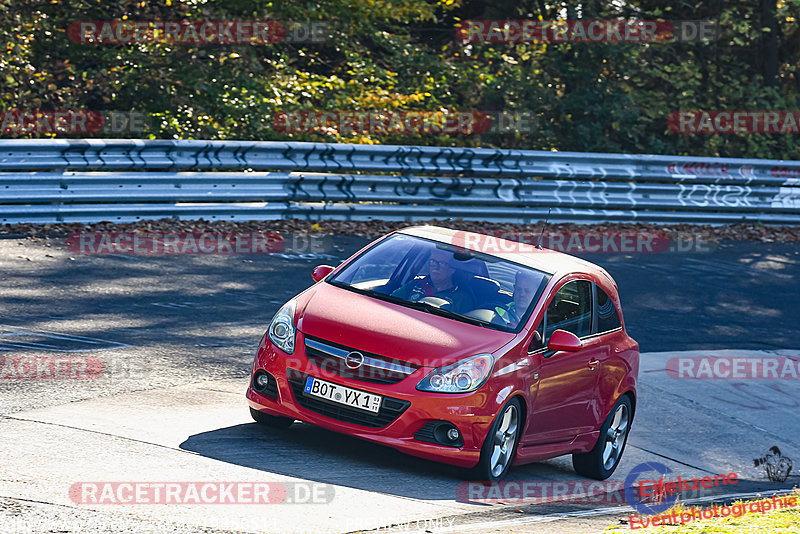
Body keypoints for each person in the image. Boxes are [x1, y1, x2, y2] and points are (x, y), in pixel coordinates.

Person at [391, 248, 473, 312]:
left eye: (442, 263)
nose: (435, 267)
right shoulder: (414, 284)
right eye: (433, 261)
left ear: (453, 269)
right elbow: (390, 303)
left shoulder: (463, 298)